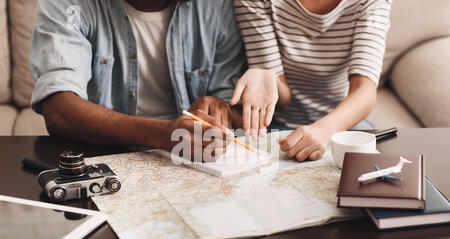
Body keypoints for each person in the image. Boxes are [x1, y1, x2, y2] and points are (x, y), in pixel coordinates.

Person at [30, 0, 246, 161]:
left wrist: (219, 110)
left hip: (192, 162)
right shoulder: (68, 4)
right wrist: (162, 134)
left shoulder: (218, 6)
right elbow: (59, 110)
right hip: (108, 157)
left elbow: (235, 109)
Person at [232, 0, 392, 161]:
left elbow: (364, 90)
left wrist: (325, 129)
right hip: (279, 123)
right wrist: (269, 78)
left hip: (343, 121)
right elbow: (283, 100)